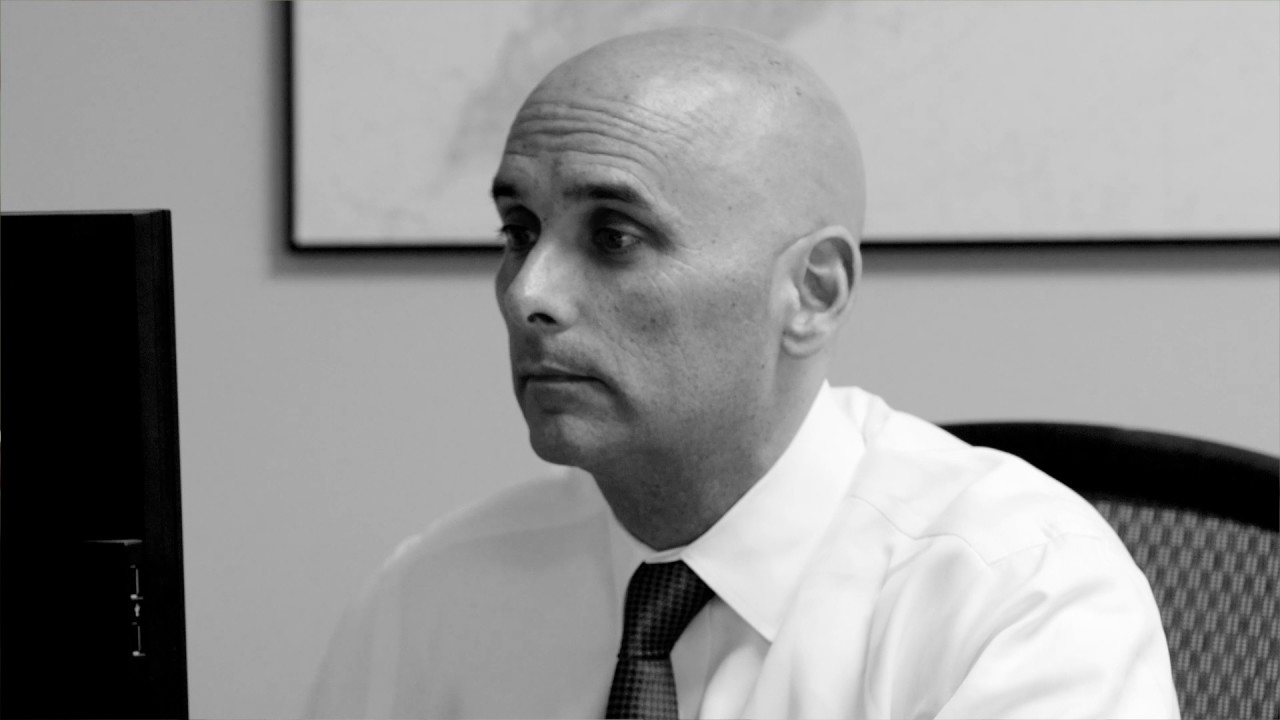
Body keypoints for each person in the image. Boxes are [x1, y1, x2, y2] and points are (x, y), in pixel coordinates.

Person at [307, 26, 1179, 719]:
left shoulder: (1015, 593)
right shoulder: (433, 595)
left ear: (812, 291)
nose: (529, 294)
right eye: (519, 233)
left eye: (614, 238)